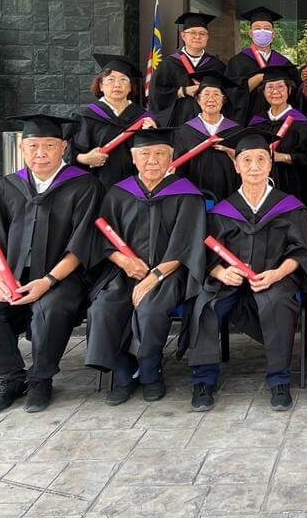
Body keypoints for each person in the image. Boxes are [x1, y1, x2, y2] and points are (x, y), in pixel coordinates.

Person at [0, 115, 100, 414]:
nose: (40, 153)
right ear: (22, 148)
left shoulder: (84, 185)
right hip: (11, 274)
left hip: (62, 275)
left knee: (50, 308)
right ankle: (10, 378)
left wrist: (47, 281)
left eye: (49, 145)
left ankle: (41, 379)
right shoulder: (6, 186)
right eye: (33, 146)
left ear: (64, 147)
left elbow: (82, 244)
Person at [183, 131, 307, 411]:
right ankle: (204, 379)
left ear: (270, 164)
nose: (254, 167)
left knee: (278, 300)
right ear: (236, 165)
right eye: (247, 160)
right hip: (230, 279)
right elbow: (205, 254)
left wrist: (277, 274)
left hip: (275, 277)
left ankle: (279, 380)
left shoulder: (289, 207)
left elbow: (302, 253)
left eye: (261, 159)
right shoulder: (222, 210)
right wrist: (219, 272)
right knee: (206, 302)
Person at [85, 127, 206, 405]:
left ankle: (151, 371)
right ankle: (124, 372)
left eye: (160, 154)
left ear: (171, 158)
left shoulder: (187, 194)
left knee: (151, 309)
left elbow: (187, 243)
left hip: (169, 272)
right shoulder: (118, 193)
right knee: (104, 307)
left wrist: (154, 277)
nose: (152, 160)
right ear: (133, 158)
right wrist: (124, 262)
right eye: (145, 154)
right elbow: (102, 237)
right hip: (124, 270)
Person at [71, 54, 157, 189]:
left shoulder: (144, 118)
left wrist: (153, 134)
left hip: (137, 187)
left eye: (123, 80)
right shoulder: (86, 116)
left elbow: (157, 153)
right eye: (111, 79)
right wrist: (83, 158)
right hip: (97, 186)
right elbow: (67, 151)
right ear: (101, 85)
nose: (117, 85)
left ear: (130, 87)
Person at [247, 66, 307, 205]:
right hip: (260, 187)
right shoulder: (257, 123)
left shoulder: (301, 124)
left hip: (293, 186)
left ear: (289, 90)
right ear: (263, 92)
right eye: (270, 87)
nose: (275, 92)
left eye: (280, 87)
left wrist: (284, 157)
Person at [172, 70, 242, 203]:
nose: (211, 99)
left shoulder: (235, 131)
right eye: (206, 94)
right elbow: (179, 168)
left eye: (216, 94)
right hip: (194, 196)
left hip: (229, 195)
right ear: (198, 100)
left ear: (223, 100)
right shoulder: (184, 131)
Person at [148, 12, 227, 126]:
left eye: (202, 33)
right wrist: (183, 91)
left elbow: (227, 96)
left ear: (207, 37)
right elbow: (156, 95)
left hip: (211, 123)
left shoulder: (217, 65)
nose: (197, 37)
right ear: (183, 36)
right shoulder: (168, 64)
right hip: (178, 122)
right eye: (193, 32)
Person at [225, 6, 296, 125]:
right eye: (257, 28)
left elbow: (295, 94)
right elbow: (231, 95)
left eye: (267, 28)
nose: (262, 31)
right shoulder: (237, 62)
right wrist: (258, 78)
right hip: (249, 120)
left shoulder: (284, 63)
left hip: (279, 121)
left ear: (273, 33)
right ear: (250, 33)